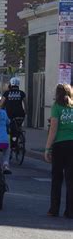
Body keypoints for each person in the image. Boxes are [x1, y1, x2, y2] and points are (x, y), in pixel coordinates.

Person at [44, 84, 73, 218]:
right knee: (70, 179)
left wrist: (47, 148)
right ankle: (70, 211)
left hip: (59, 145)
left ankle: (54, 209)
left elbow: (53, 130)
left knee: (57, 178)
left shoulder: (56, 107)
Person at [0, 77, 26, 150]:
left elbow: (1, 104)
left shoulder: (7, 93)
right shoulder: (22, 93)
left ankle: (13, 144)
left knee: (10, 129)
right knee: (17, 128)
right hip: (21, 114)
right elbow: (25, 104)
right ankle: (18, 138)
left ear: (11, 84)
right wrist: (25, 112)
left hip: (10, 115)